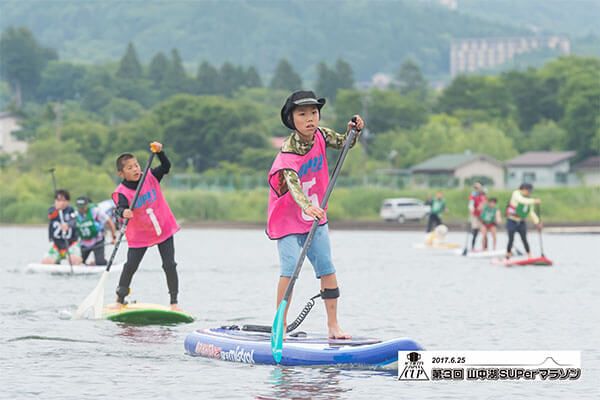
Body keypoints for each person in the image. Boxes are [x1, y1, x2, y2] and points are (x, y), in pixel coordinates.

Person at [266, 90, 364, 339]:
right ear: (292, 119)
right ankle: (281, 325)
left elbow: (345, 143)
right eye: (302, 114)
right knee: (289, 269)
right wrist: (306, 205)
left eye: (314, 113)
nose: (310, 118)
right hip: (288, 220)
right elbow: (293, 183)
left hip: (315, 218)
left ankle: (333, 326)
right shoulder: (289, 152)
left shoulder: (321, 135)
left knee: (327, 269)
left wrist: (355, 130)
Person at [112, 142, 181, 310]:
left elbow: (166, 166)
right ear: (121, 173)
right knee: (130, 266)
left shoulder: (150, 177)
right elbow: (118, 209)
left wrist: (160, 152)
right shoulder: (121, 191)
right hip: (140, 234)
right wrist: (123, 213)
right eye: (130, 168)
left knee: (169, 265)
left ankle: (174, 303)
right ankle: (119, 300)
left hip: (163, 228)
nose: (135, 169)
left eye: (136, 165)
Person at [41, 189, 83, 265]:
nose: (61, 202)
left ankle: (79, 261)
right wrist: (57, 209)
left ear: (67, 201)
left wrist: (68, 225)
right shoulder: (52, 210)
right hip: (57, 246)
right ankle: (56, 262)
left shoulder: (72, 211)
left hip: (71, 245)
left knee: (74, 260)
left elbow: (74, 221)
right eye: (58, 200)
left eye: (63, 200)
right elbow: (51, 216)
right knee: (46, 262)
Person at [74, 196, 117, 265]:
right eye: (79, 207)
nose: (81, 209)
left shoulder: (96, 211)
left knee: (100, 262)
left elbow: (110, 222)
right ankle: (90, 264)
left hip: (98, 241)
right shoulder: (75, 214)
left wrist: (113, 237)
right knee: (79, 262)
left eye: (82, 207)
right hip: (84, 242)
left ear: (87, 205)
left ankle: (103, 263)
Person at [505, 183, 542, 259]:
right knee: (511, 239)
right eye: (528, 191)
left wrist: (537, 222)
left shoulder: (528, 199)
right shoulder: (516, 193)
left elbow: (531, 212)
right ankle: (508, 255)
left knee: (524, 239)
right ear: (524, 189)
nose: (529, 193)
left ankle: (529, 255)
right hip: (511, 220)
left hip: (521, 221)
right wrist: (534, 201)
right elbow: (521, 200)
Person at [468, 181, 487, 250]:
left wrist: (482, 206)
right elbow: (471, 205)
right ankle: (472, 247)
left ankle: (485, 248)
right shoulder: (473, 195)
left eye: (478, 187)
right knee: (475, 231)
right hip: (475, 216)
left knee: (484, 232)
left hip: (482, 216)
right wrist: (472, 210)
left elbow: (485, 203)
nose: (477, 189)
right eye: (475, 188)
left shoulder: (483, 194)